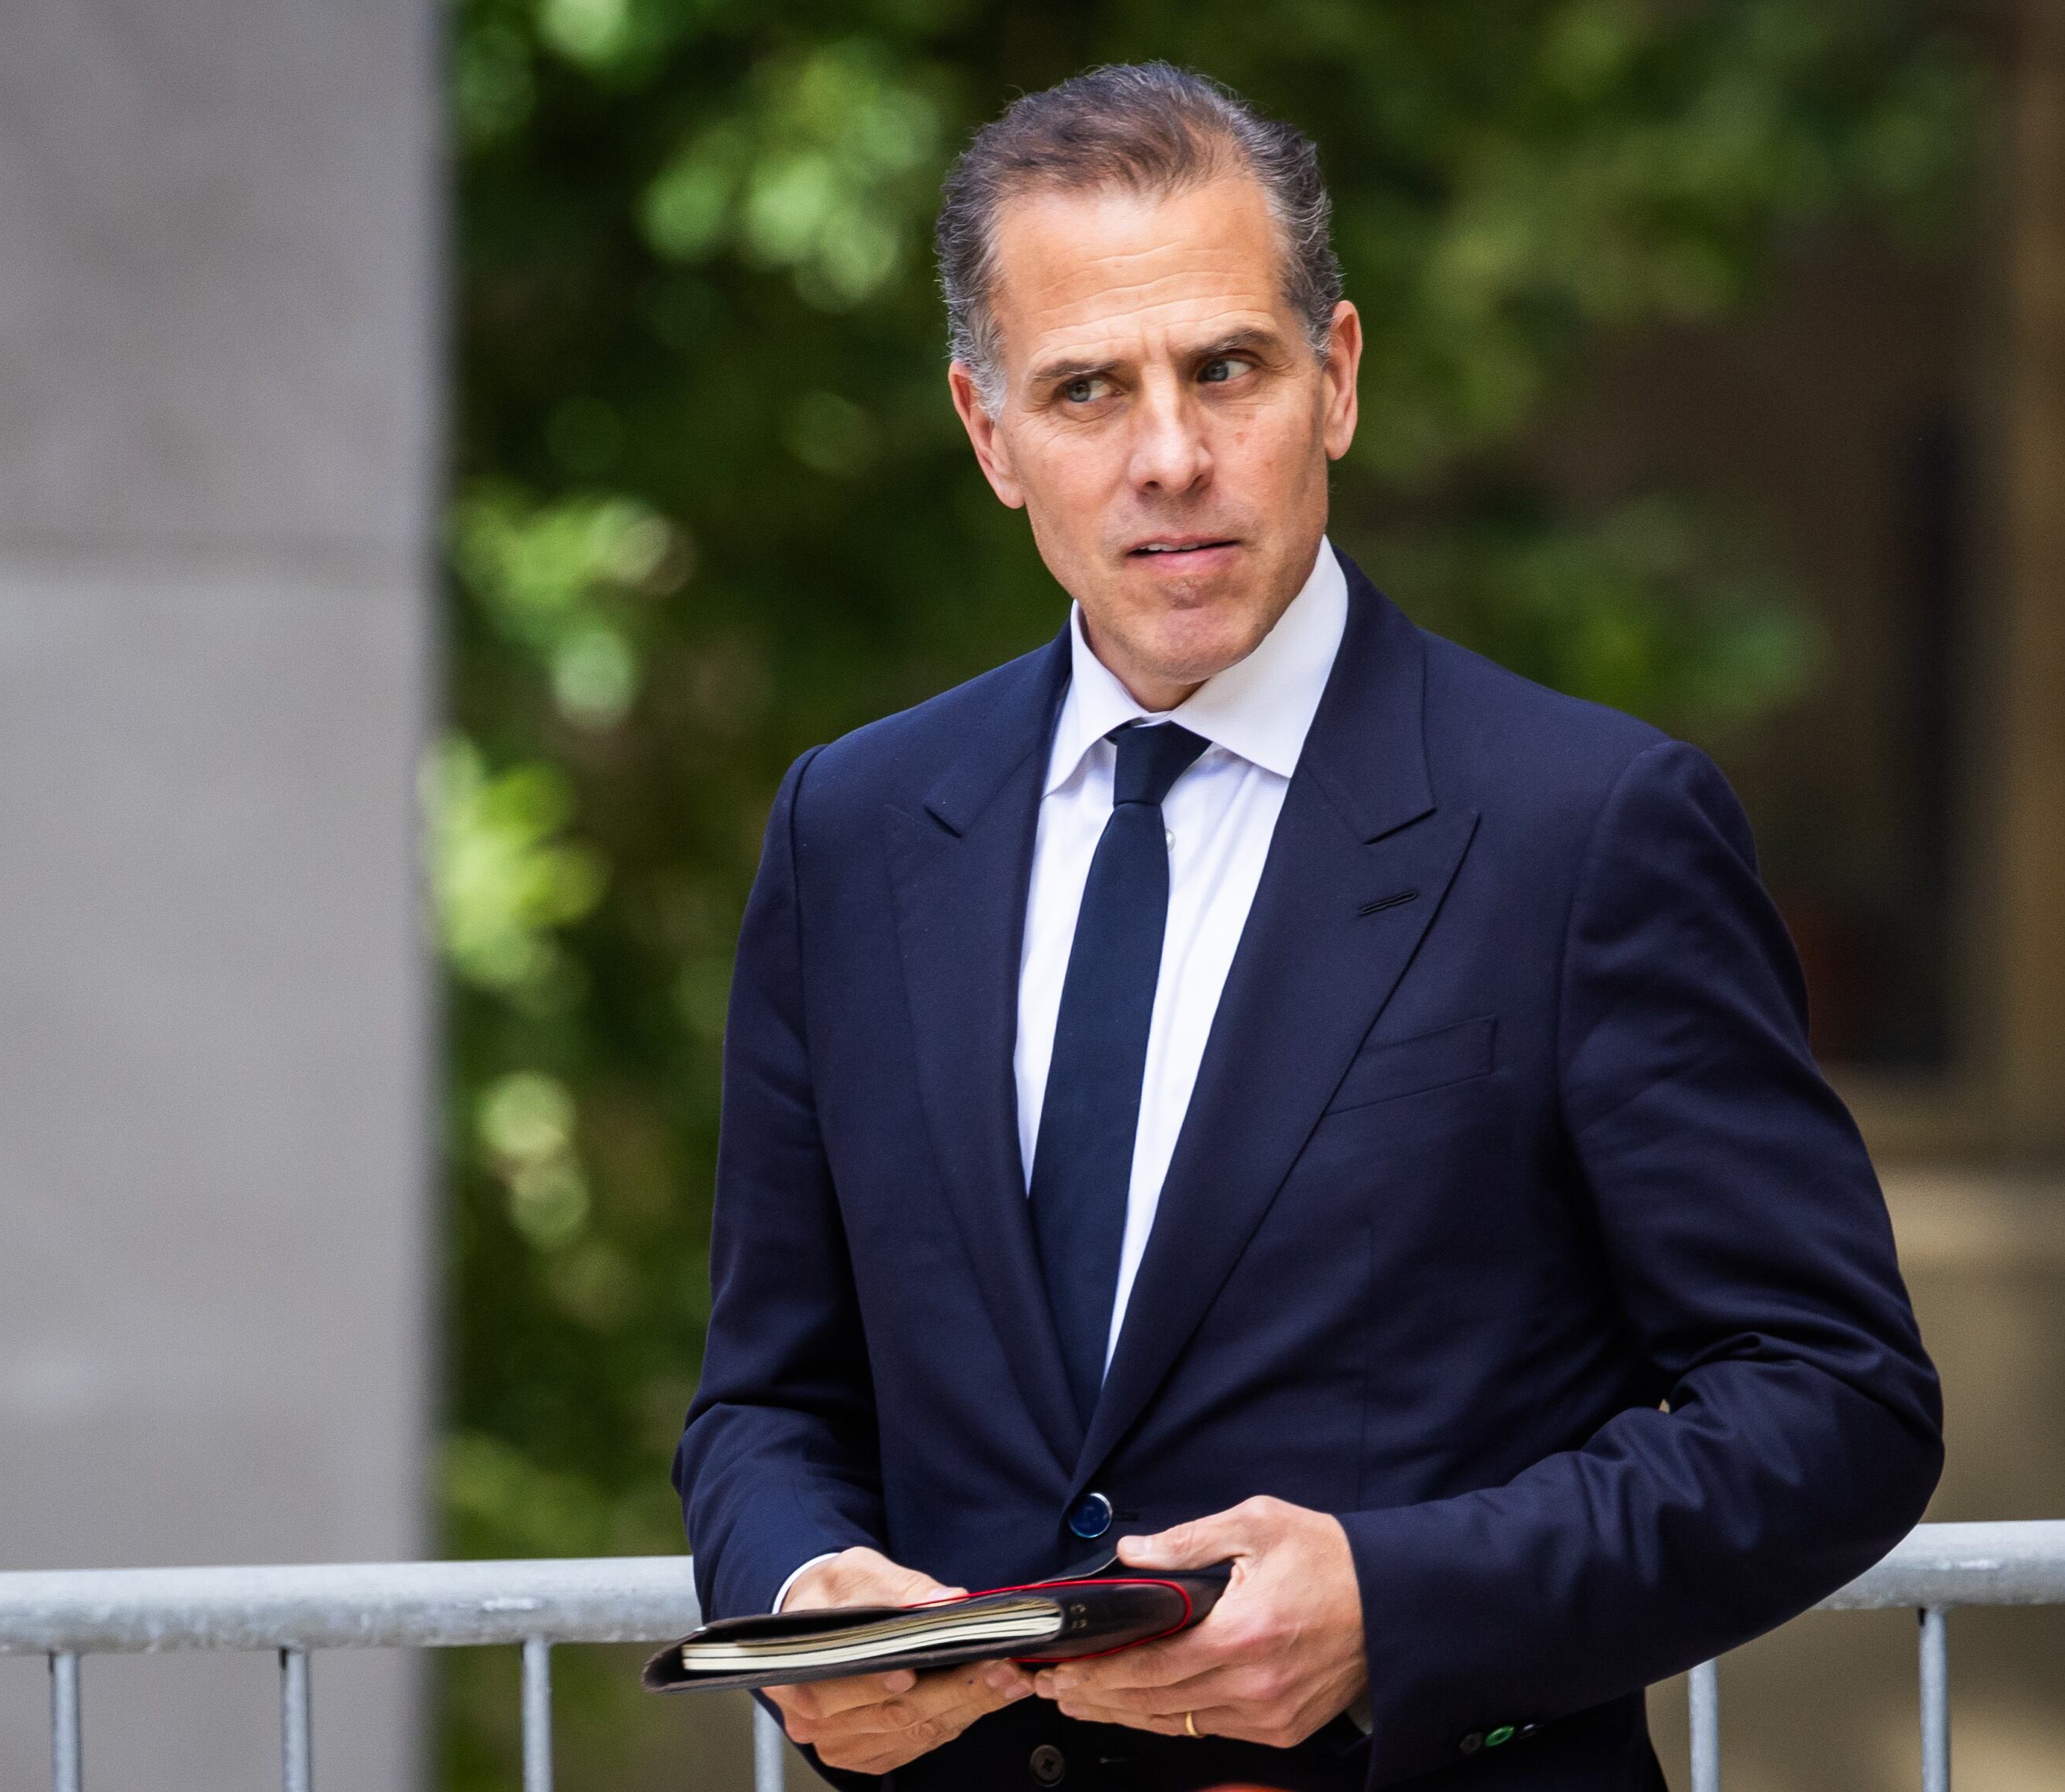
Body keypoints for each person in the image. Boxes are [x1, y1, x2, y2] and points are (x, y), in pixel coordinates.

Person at [675, 62, 1942, 1792]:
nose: (1170, 457)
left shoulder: (1587, 828)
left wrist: (1395, 1604)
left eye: (1225, 368)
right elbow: (766, 1398)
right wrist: (804, 1591)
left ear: (1335, 378)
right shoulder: (856, 828)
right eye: (1086, 389)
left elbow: (1835, 1399)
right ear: (988, 432)